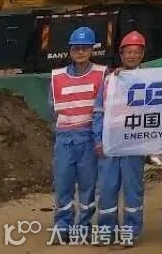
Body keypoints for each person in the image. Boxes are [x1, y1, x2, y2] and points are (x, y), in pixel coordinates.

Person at [50, 25, 106, 243]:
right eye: (76, 48)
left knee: (88, 186)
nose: (81, 52)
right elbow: (52, 109)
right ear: (70, 50)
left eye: (85, 48)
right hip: (64, 138)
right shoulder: (57, 77)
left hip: (88, 137)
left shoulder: (102, 74)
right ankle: (62, 227)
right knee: (63, 185)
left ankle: (84, 227)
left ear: (92, 49)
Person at [94, 31, 147, 246]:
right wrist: (98, 139)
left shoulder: (150, 79)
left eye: (136, 52)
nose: (132, 56)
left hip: (134, 144)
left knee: (133, 190)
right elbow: (99, 111)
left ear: (142, 55)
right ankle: (106, 232)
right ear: (121, 54)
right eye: (128, 52)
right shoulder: (110, 80)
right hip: (111, 142)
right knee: (107, 188)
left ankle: (130, 232)